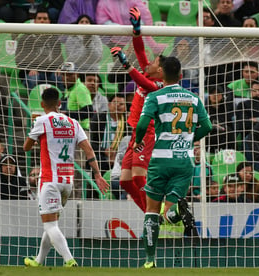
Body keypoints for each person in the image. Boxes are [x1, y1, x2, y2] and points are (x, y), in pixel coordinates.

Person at [133, 56, 212, 268]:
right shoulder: (194, 99)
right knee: (168, 213)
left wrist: (138, 142)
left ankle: (150, 261)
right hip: (185, 160)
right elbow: (207, 127)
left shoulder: (155, 97)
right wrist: (189, 139)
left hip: (161, 160)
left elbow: (141, 125)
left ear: (161, 72)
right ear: (181, 75)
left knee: (151, 211)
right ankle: (176, 211)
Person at [23, 87, 109, 267]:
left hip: (49, 180)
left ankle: (69, 260)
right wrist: (98, 175)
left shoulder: (42, 121)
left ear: (42, 104)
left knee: (49, 225)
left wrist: (35, 133)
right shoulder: (73, 122)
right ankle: (38, 261)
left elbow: (26, 147)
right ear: (60, 103)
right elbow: (88, 150)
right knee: (51, 222)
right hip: (67, 182)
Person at [110, 7, 165, 213]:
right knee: (124, 181)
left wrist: (126, 64)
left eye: (154, 62)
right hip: (135, 133)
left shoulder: (159, 85)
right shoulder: (149, 74)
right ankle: (149, 213)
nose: (148, 63)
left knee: (139, 177)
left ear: (160, 70)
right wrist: (136, 30)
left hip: (148, 133)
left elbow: (141, 81)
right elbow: (141, 51)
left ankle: (154, 212)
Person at [15, 7, 64, 91]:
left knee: (60, 78)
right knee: (33, 79)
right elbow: (19, 60)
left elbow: (59, 58)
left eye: (45, 19)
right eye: (39, 18)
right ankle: (32, 103)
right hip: (31, 73)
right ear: (35, 21)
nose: (42, 21)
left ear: (49, 22)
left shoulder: (54, 39)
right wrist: (30, 68)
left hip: (50, 73)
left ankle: (62, 103)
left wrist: (58, 68)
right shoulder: (26, 38)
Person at [90, 93, 127, 175]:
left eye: (121, 104)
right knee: (99, 161)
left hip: (120, 156)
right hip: (101, 154)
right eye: (115, 103)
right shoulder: (99, 118)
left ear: (125, 108)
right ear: (109, 105)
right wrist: (105, 151)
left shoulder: (128, 122)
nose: (118, 106)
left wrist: (116, 154)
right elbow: (92, 143)